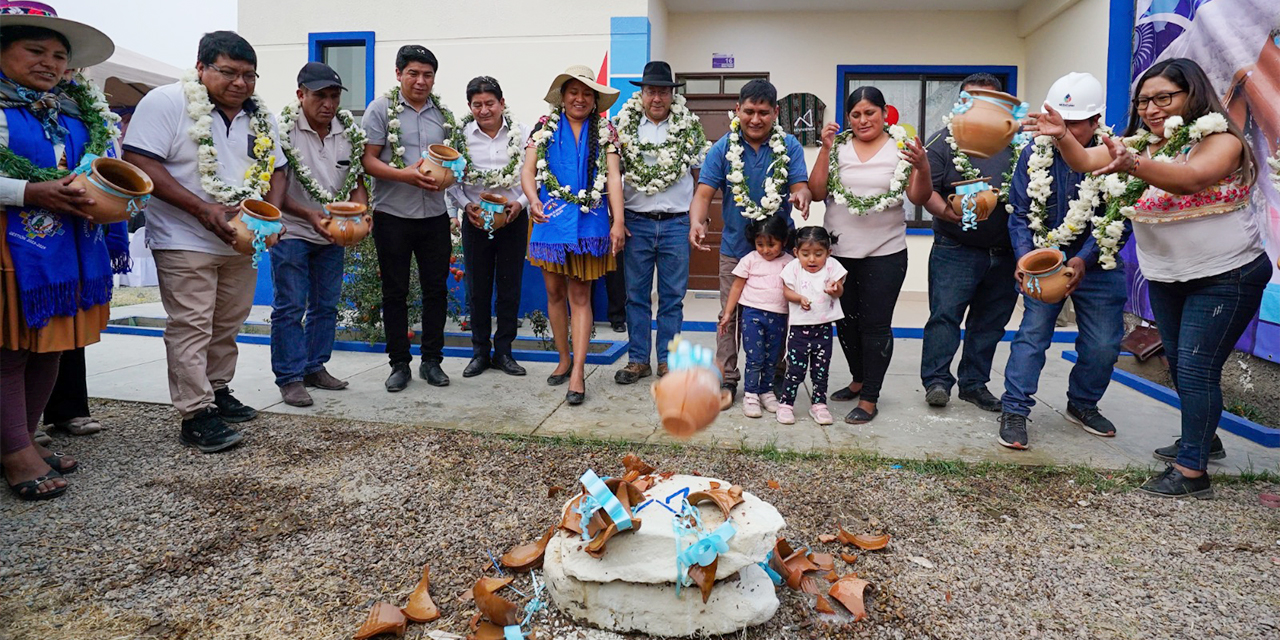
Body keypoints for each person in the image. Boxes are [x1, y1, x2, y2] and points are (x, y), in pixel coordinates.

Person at [1030, 58, 1271, 498]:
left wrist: (1133, 163)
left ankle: (1192, 474)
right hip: (1167, 276)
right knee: (1181, 366)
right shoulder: (1141, 144)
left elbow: (1191, 178)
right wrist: (1064, 135)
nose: (1152, 109)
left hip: (1226, 273)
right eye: (1144, 101)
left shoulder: (1219, 140)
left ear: (1192, 95)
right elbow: (1085, 160)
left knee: (1197, 369)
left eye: (1164, 98)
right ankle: (1203, 438)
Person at [123, 30, 286, 453]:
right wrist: (202, 209)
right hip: (184, 235)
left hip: (242, 240)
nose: (240, 83)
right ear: (201, 68)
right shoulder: (167, 102)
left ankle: (217, 389)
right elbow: (139, 160)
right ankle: (195, 413)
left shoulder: (261, 116)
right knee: (191, 324)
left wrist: (272, 213)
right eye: (228, 72)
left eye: (249, 75)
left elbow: (279, 168)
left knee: (228, 321)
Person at [0, 2, 120, 498]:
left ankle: (24, 437)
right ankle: (13, 453)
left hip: (67, 245)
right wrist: (32, 193)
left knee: (52, 344)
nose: (49, 62)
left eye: (58, 55)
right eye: (35, 50)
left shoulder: (75, 109)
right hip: (11, 246)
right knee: (9, 350)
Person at [997, 72, 1128, 450]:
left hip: (1098, 264)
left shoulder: (1115, 155)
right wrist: (1025, 258)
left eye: (1073, 124)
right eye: (1059, 122)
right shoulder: (1032, 155)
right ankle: (1016, 410)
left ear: (1096, 121)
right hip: (1044, 263)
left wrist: (1086, 258)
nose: (1062, 131)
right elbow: (1019, 212)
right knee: (1032, 336)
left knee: (1103, 344)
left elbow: (1120, 215)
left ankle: (1083, 404)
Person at [809, 85, 932, 424]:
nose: (863, 120)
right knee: (846, 324)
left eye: (870, 113)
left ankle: (869, 398)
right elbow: (818, 191)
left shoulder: (900, 147)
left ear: (884, 113)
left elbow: (919, 198)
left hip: (885, 253)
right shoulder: (838, 148)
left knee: (875, 325)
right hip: (839, 254)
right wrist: (824, 149)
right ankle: (858, 379)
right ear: (848, 118)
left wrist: (922, 166)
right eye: (856, 114)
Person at [690, 79, 812, 411]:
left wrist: (802, 195)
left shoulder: (789, 146)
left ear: (775, 113)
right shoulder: (722, 149)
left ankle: (774, 374)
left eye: (762, 112)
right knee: (730, 315)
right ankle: (728, 377)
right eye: (748, 111)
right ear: (737, 111)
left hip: (780, 252)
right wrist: (697, 221)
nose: (755, 119)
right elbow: (703, 194)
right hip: (735, 249)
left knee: (779, 314)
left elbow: (801, 185)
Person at [519, 65, 625, 405]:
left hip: (590, 222)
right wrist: (533, 199)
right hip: (550, 220)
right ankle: (562, 358)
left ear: (594, 100)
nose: (580, 98)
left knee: (581, 296)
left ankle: (578, 370)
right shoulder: (543, 128)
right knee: (553, 292)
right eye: (573, 92)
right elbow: (528, 169)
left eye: (587, 93)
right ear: (562, 97)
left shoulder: (605, 130)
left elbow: (612, 178)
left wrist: (618, 221)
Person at [918, 72, 1021, 413]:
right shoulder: (942, 141)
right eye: (970, 99)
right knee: (945, 316)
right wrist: (949, 214)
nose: (978, 107)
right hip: (955, 248)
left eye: (987, 100)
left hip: (1005, 251)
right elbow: (926, 192)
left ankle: (974, 384)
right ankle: (936, 381)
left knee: (990, 322)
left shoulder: (1019, 144)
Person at [271, 61, 369, 407]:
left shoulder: (349, 133)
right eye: (319, 96)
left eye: (333, 96)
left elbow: (357, 181)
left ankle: (315, 366)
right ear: (300, 95)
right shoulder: (282, 132)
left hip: (332, 233)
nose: (328, 104)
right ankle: (290, 377)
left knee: (325, 305)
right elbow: (276, 191)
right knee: (290, 305)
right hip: (293, 230)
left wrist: (362, 214)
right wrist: (309, 215)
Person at [360, 45, 457, 393]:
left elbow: (453, 162)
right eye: (413, 73)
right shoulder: (380, 109)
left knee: (436, 290)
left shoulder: (442, 115)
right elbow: (368, 161)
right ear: (398, 73)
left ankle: (432, 361)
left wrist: (449, 178)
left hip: (434, 215)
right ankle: (399, 364)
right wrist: (405, 175)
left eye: (427, 74)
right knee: (395, 291)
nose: (420, 81)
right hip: (393, 216)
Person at [612, 61, 706, 385]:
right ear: (641, 93)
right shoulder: (622, 127)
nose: (657, 97)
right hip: (636, 222)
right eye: (651, 90)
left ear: (671, 94)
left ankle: (667, 360)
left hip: (676, 224)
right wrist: (617, 219)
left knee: (672, 298)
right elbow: (612, 174)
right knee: (635, 296)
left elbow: (703, 176)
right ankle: (638, 360)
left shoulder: (688, 127)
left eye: (663, 91)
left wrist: (698, 218)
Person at [447, 75, 528, 378]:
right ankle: (479, 352)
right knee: (477, 288)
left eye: (489, 103)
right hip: (476, 220)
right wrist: (466, 206)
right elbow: (452, 181)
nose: (484, 110)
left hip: (513, 219)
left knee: (510, 287)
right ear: (470, 107)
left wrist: (519, 203)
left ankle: (505, 352)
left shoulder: (520, 134)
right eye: (477, 105)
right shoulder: (461, 139)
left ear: (502, 103)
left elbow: (532, 177)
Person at [717, 213, 794, 418]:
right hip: (752, 316)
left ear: (783, 241)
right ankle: (750, 393)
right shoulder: (749, 260)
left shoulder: (790, 262)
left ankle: (766, 391)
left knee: (771, 358)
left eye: (772, 244)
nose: (766, 250)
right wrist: (727, 314)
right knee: (755, 357)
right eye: (760, 244)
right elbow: (736, 287)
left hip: (778, 317)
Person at [777, 226, 847, 425]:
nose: (812, 259)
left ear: (828, 252)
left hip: (823, 328)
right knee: (795, 370)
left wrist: (836, 288)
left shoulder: (833, 267)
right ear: (796, 252)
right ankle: (786, 404)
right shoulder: (793, 268)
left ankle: (819, 404)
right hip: (799, 329)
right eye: (805, 254)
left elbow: (840, 290)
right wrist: (799, 298)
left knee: (821, 370)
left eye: (819, 254)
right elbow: (786, 291)